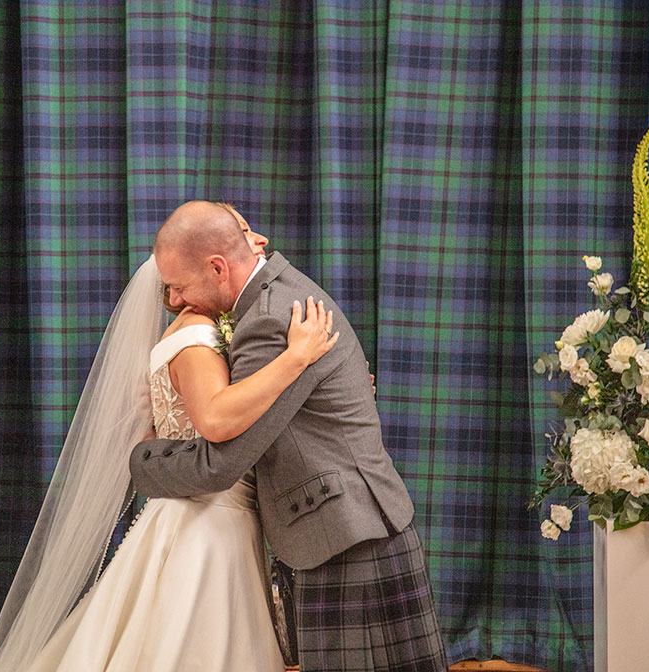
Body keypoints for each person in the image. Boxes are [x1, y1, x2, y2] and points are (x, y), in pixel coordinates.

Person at [0, 208, 337, 671]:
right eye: (246, 235)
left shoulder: (216, 326)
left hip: (214, 512)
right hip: (207, 523)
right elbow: (213, 417)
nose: (258, 243)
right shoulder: (197, 332)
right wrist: (297, 360)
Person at [131, 200, 448, 671]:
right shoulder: (281, 294)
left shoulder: (268, 320)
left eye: (179, 287)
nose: (174, 301)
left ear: (218, 267)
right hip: (362, 523)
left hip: (341, 537)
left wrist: (140, 462)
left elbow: (222, 461)